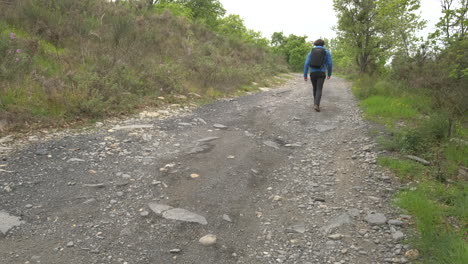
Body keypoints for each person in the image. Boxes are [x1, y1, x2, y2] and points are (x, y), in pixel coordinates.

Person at [303, 39, 333, 112]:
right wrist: (329, 74)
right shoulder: (326, 52)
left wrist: (305, 75)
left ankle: (315, 104)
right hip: (321, 73)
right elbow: (330, 64)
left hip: (313, 73)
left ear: (315, 44)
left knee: (315, 88)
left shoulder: (311, 52)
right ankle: (317, 104)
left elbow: (306, 64)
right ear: (323, 44)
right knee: (319, 88)